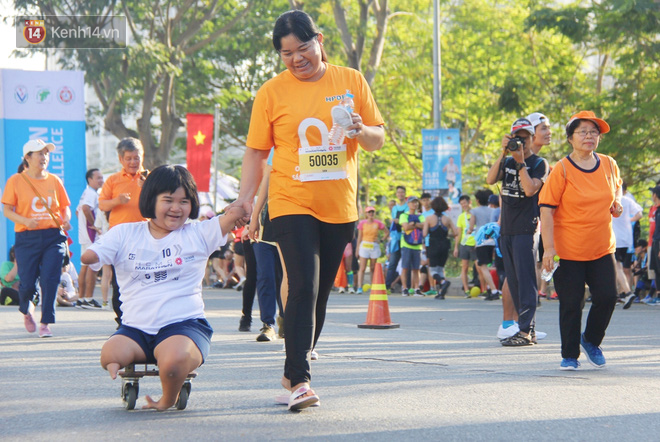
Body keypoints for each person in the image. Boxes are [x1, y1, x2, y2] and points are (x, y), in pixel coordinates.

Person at [236, 9, 384, 411]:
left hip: (339, 205)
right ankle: (299, 380)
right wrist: (245, 199)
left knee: (319, 294)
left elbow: (377, 138)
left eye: (302, 48)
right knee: (302, 285)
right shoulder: (271, 92)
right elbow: (256, 151)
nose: (296, 58)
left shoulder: (351, 80)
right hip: (290, 200)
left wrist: (360, 129)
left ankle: (293, 365)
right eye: (286, 54)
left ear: (318, 40)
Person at [81, 165, 247, 410]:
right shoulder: (125, 233)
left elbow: (233, 216)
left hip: (184, 326)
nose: (176, 208)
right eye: (168, 200)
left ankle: (167, 399)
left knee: (173, 362)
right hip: (135, 329)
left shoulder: (199, 233)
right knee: (109, 355)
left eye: (184, 201)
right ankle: (132, 365)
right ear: (151, 200)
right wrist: (91, 255)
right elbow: (92, 255)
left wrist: (241, 206)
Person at [539, 110, 622, 370]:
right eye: (583, 132)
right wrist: (549, 249)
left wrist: (617, 201)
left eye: (594, 132)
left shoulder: (609, 163)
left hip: (601, 247)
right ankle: (569, 355)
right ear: (570, 138)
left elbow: (617, 185)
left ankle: (591, 340)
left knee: (608, 297)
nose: (589, 136)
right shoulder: (561, 169)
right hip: (569, 250)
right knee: (572, 303)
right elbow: (546, 209)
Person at [486, 118, 548, 346]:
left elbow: (531, 189)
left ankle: (526, 330)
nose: (521, 142)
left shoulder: (540, 163)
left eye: (525, 137)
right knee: (512, 281)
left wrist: (521, 162)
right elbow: (490, 179)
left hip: (526, 229)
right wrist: (504, 154)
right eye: (517, 138)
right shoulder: (508, 160)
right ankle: (523, 329)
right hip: (507, 229)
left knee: (526, 281)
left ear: (532, 138)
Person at [1, 139, 71, 337]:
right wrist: (24, 220)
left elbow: (65, 209)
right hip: (26, 237)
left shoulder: (54, 180)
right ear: (27, 158)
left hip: (53, 236)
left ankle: (45, 322)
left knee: (51, 278)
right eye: (39, 153)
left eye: (46, 153)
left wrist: (65, 220)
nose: (44, 157)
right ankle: (26, 310)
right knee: (27, 283)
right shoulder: (15, 181)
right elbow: (6, 210)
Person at [98, 138, 148, 325]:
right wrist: (117, 201)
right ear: (121, 159)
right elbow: (102, 204)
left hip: (145, 235)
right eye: (129, 158)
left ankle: (142, 318)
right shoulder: (112, 180)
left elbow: (161, 202)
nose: (133, 162)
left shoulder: (151, 178)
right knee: (119, 281)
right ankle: (121, 320)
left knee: (144, 278)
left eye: (137, 157)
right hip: (120, 237)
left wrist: (147, 188)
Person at [76, 168, 104, 309]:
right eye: (98, 178)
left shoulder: (86, 193)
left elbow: (78, 211)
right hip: (91, 235)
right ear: (90, 179)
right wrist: (94, 225)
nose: (101, 180)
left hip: (84, 234)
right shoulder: (91, 194)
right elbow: (86, 209)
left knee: (85, 267)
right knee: (93, 267)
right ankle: (88, 298)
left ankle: (81, 298)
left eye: (101, 177)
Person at [612, 185, 643, 309]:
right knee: (625, 268)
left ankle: (626, 292)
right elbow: (639, 214)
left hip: (615, 239)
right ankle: (621, 293)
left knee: (617, 267)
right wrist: (629, 221)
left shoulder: (612, 200)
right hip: (627, 240)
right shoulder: (628, 200)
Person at [423, 196, 458, 299]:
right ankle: (441, 292)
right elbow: (455, 232)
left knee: (433, 271)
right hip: (444, 244)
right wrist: (447, 234)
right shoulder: (447, 219)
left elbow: (425, 234)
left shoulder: (429, 218)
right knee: (440, 269)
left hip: (433, 244)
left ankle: (443, 282)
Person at [468, 189, 499, 299]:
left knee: (483, 267)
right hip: (493, 240)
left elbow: (471, 228)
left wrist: (469, 231)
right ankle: (491, 289)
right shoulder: (492, 210)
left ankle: (494, 290)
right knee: (490, 265)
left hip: (481, 241)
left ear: (477, 200)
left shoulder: (474, 211)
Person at [355, 206, 387, 294]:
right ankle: (359, 287)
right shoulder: (362, 223)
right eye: (369, 212)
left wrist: (381, 240)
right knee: (362, 267)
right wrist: (357, 249)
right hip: (365, 245)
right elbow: (359, 237)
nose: (371, 214)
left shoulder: (378, 223)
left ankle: (373, 287)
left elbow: (386, 232)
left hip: (374, 245)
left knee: (373, 267)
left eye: (372, 212)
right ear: (366, 214)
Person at [399, 196, 425, 295]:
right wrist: (417, 224)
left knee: (416, 268)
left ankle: (416, 288)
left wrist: (413, 223)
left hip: (417, 245)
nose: (415, 204)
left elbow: (424, 225)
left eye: (416, 202)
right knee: (405, 267)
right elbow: (405, 227)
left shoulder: (420, 216)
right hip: (406, 245)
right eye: (412, 202)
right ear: (408, 204)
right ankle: (404, 288)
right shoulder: (404, 215)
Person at [453, 194, 477, 295]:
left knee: (479, 267)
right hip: (464, 244)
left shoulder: (475, 214)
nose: (464, 205)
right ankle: (466, 289)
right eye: (461, 204)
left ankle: (484, 289)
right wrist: (456, 247)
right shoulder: (461, 217)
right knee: (465, 267)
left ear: (469, 202)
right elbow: (459, 233)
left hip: (475, 243)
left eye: (465, 203)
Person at [386, 186, 408, 290]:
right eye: (398, 192)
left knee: (406, 264)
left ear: (405, 194)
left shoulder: (408, 206)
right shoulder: (394, 208)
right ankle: (387, 286)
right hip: (395, 238)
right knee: (392, 263)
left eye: (402, 192)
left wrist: (397, 221)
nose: (400, 194)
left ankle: (407, 286)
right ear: (396, 194)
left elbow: (406, 221)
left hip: (406, 238)